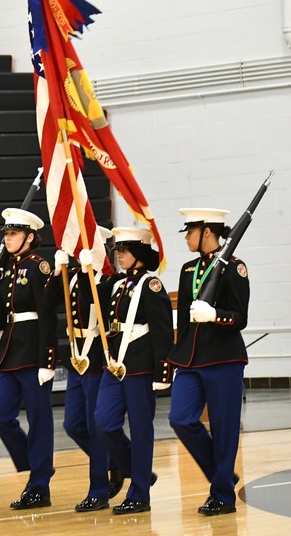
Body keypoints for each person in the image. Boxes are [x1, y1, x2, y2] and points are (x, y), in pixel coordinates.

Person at [0, 209, 56, 510]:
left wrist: (48, 360)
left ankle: (39, 486)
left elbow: (46, 316)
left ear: (29, 237)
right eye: (6, 234)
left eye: (14, 234)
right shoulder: (8, 267)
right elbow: (6, 312)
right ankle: (37, 465)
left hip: (32, 351)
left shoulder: (38, 267)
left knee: (39, 420)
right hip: (10, 350)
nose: (8, 239)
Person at [168, 207, 249, 517]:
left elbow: (240, 317)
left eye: (191, 231)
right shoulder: (188, 269)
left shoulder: (235, 268)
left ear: (207, 232)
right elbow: (185, 323)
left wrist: (216, 315)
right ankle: (223, 475)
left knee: (224, 427)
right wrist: (176, 360)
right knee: (180, 418)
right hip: (191, 358)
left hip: (224, 358)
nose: (187, 237)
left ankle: (222, 496)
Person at [94, 228, 173, 515]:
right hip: (114, 365)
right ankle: (137, 471)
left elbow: (164, 332)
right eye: (117, 251)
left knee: (141, 431)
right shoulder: (117, 284)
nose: (119, 256)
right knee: (104, 421)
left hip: (139, 366)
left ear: (139, 254)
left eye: (124, 251)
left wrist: (163, 373)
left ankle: (139, 494)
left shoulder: (151, 286)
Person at [47, 246, 119, 513]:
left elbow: (96, 304)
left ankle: (98, 490)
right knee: (73, 424)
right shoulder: (74, 275)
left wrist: (92, 272)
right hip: (78, 357)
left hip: (97, 358)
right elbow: (48, 302)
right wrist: (57, 273)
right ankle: (119, 462)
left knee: (95, 426)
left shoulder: (110, 281)